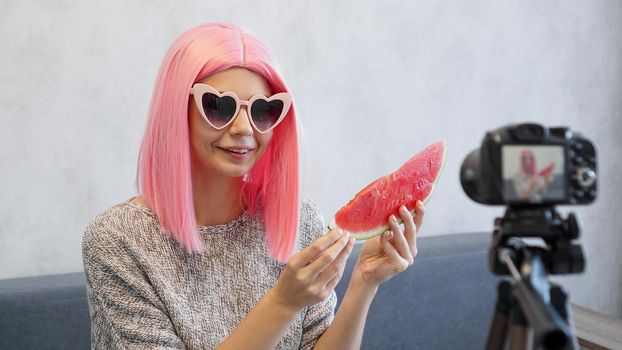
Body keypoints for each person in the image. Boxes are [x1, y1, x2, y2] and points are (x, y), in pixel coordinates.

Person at [82, 23, 424, 350]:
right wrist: (283, 302)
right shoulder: (117, 240)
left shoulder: (301, 220)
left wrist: (364, 283)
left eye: (263, 111)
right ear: (176, 111)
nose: (245, 128)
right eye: (219, 106)